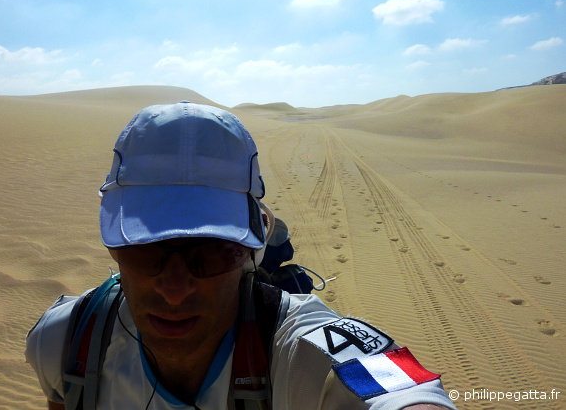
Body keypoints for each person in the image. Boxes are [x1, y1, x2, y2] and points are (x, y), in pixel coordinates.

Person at [26, 101, 458, 410]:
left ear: (252, 249)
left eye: (213, 253)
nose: (175, 290)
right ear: (113, 249)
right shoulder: (64, 343)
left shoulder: (303, 358)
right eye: (146, 249)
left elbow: (397, 389)